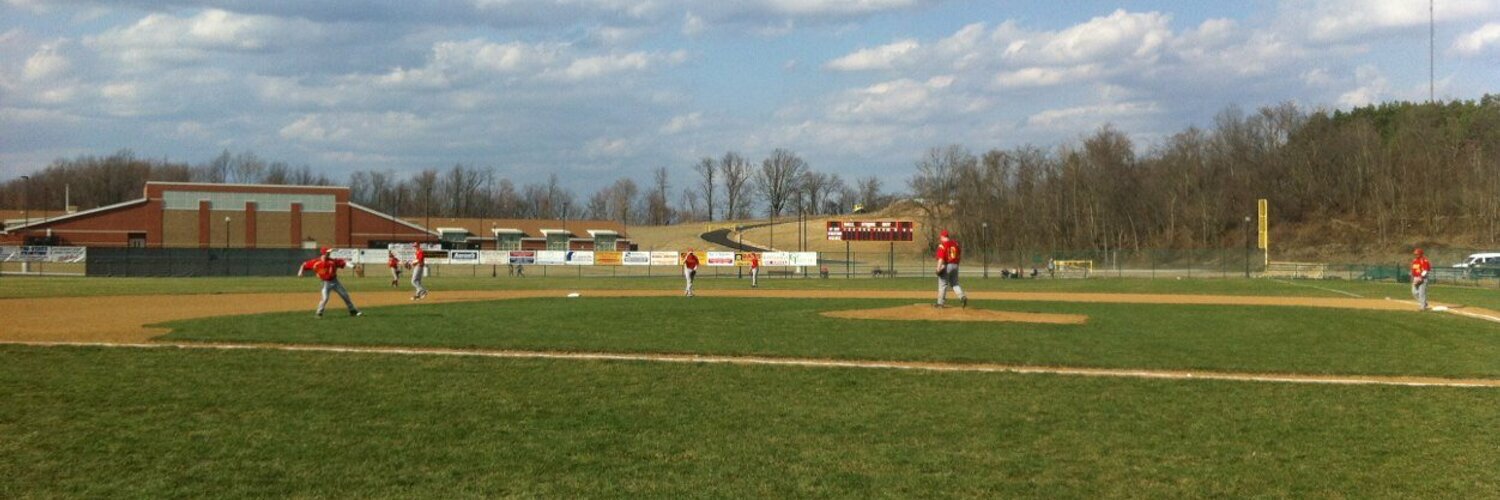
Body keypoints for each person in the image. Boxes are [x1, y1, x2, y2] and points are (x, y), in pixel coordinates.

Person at [298, 248, 362, 318]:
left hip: (335, 282)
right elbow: (304, 265)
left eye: (329, 253)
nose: (329, 254)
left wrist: (354, 266)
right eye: (327, 253)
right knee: (325, 298)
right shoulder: (316, 262)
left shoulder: (333, 261)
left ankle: (352, 311)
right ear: (323, 253)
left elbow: (344, 262)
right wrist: (300, 272)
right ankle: (319, 313)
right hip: (325, 283)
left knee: (345, 296)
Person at [934, 229, 968, 308]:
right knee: (955, 283)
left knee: (943, 284)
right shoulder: (956, 244)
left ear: (942, 236)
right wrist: (956, 264)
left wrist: (938, 268)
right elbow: (959, 255)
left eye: (941, 237)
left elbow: (941, 258)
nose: (940, 239)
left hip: (947, 265)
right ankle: (962, 296)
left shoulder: (942, 245)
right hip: (955, 265)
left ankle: (940, 303)